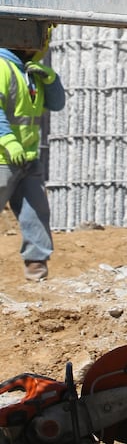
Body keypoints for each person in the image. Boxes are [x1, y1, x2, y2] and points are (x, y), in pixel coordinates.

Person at [0, 29, 65, 281]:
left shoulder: (31, 72)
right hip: (4, 157)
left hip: (27, 158)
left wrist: (51, 81)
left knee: (35, 212)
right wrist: (8, 141)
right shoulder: (3, 67)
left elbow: (57, 104)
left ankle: (37, 269)